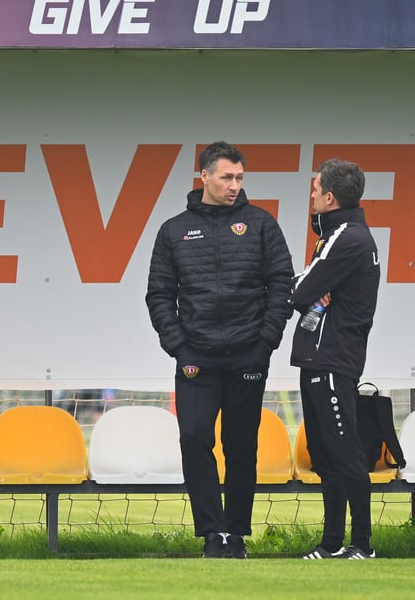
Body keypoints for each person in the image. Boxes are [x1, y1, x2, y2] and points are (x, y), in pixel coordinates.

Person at [146, 141, 294, 558]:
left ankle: (236, 533)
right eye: (227, 177)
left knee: (241, 444)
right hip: (196, 357)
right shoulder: (173, 229)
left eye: (240, 178)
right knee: (194, 438)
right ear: (204, 177)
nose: (234, 185)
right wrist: (179, 347)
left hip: (249, 353)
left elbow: (281, 283)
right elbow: (159, 294)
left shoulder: (261, 224)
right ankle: (213, 533)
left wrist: (266, 341)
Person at [289, 158, 381, 560]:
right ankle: (331, 544)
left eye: (313, 190)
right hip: (317, 360)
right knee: (326, 457)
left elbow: (298, 290)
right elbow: (307, 292)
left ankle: (361, 544)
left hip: (333, 361)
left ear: (329, 196)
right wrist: (309, 291)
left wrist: (308, 290)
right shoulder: (334, 235)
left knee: (344, 454)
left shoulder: (349, 238)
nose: (309, 196)